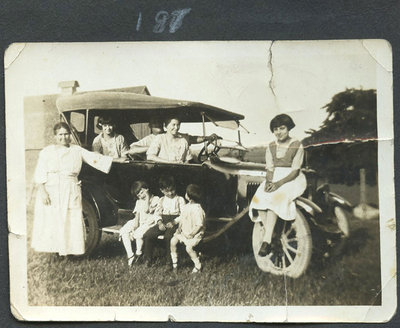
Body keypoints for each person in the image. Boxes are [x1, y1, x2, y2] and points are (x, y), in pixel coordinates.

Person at [31, 122, 126, 256]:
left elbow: (95, 158)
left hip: (70, 188)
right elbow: (40, 172)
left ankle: (69, 251)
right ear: (55, 136)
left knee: (70, 220)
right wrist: (43, 191)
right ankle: (56, 251)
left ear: (70, 135)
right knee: (53, 220)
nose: (63, 137)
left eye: (66, 134)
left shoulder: (76, 150)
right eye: (60, 135)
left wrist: (115, 160)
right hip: (52, 189)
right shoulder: (47, 152)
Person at [249, 114, 307, 257]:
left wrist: (278, 184)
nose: (279, 132)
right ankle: (273, 234)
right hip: (274, 177)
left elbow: (295, 171)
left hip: (292, 179)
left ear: (289, 128)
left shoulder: (297, 145)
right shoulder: (271, 146)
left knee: (275, 198)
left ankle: (267, 239)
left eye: (282, 128)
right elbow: (269, 168)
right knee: (258, 199)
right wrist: (269, 182)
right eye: (275, 129)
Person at [142, 176, 186, 266]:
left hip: (175, 222)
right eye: (167, 191)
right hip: (163, 221)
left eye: (172, 190)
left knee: (168, 236)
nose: (170, 193)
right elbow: (157, 213)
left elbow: (184, 215)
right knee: (148, 234)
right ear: (162, 190)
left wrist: (174, 222)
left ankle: (169, 261)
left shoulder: (180, 199)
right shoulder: (161, 200)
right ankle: (148, 259)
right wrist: (159, 222)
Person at [119, 181, 160, 266]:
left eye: (142, 192)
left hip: (149, 222)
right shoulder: (139, 201)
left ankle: (138, 253)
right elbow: (137, 215)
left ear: (147, 189)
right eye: (139, 195)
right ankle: (130, 255)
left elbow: (146, 210)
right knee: (124, 230)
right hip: (140, 221)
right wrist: (135, 227)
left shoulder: (156, 199)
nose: (141, 196)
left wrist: (148, 197)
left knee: (138, 234)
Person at [145, 117, 220, 163]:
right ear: (166, 126)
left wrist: (209, 138)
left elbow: (188, 159)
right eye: (173, 125)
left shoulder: (183, 139)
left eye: (178, 125)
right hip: (163, 170)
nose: (176, 127)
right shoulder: (160, 138)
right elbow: (150, 157)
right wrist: (170, 162)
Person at [170, 184, 206, 273]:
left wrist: (192, 234)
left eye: (186, 193)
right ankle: (175, 264)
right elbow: (182, 218)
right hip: (184, 231)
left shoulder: (198, 209)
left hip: (195, 233)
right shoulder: (186, 207)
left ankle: (198, 265)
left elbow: (199, 225)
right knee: (173, 241)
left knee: (188, 248)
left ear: (189, 197)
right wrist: (179, 228)